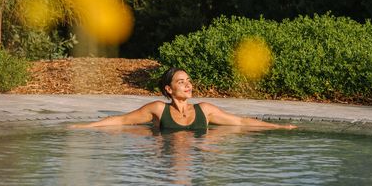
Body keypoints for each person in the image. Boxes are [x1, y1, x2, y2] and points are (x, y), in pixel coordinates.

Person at [72, 67, 297, 131]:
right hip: (167, 161)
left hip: (196, 158)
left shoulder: (205, 110)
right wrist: (85, 126)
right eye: (181, 82)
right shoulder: (159, 109)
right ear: (169, 89)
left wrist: (276, 126)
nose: (188, 85)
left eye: (189, 80)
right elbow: (122, 121)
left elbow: (240, 122)